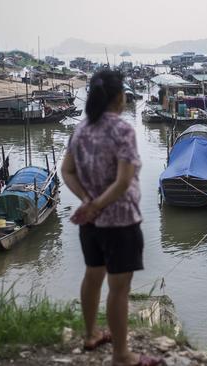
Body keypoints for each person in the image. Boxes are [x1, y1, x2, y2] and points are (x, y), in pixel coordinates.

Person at [61, 70, 161, 366]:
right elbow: (122, 181)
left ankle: (91, 334)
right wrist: (98, 205)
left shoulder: (80, 129)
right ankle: (122, 355)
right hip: (120, 222)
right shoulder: (122, 130)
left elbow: (66, 171)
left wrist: (87, 201)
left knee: (93, 276)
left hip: (90, 223)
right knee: (119, 290)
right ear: (119, 97)